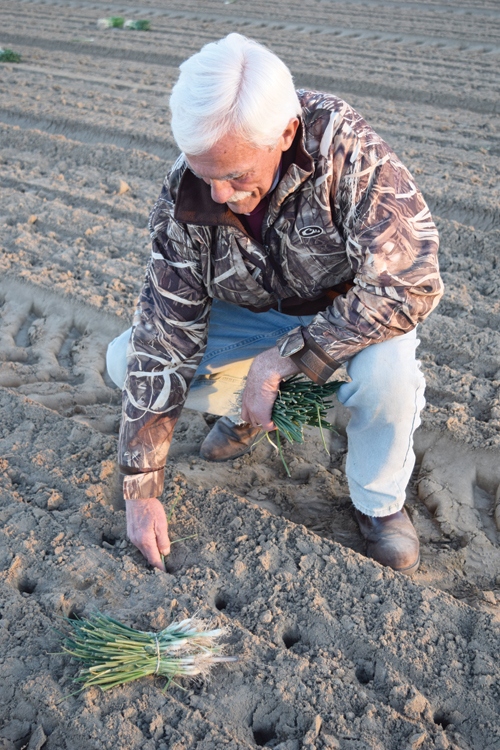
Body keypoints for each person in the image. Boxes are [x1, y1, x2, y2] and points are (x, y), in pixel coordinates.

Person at [106, 33, 443, 576]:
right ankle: (246, 414)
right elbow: (165, 335)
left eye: (236, 176)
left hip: (348, 315)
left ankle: (379, 505)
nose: (217, 194)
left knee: (390, 380)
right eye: (204, 172)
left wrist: (292, 356)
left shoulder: (344, 147)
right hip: (254, 315)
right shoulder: (184, 191)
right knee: (126, 361)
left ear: (285, 134)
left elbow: (412, 282)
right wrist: (142, 488)